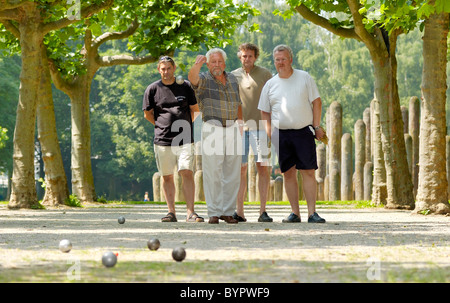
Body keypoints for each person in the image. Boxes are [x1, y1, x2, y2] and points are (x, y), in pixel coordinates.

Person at [258, 44, 326, 223]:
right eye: (277, 60)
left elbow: (317, 102)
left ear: (291, 60)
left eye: (283, 59)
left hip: (304, 131)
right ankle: (295, 213)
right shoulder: (270, 84)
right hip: (281, 134)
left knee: (308, 172)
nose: (280, 63)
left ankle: (312, 213)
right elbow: (264, 110)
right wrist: (269, 131)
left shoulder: (304, 77)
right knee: (287, 173)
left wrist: (317, 126)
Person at [142, 55, 204, 223]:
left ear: (174, 68)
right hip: (162, 139)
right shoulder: (152, 89)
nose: (166, 72)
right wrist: (161, 125)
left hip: (184, 138)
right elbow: (148, 113)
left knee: (186, 172)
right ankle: (171, 212)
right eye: (163, 69)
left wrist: (185, 125)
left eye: (169, 68)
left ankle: (191, 212)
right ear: (158, 70)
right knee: (167, 176)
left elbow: (195, 110)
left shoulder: (185, 87)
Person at [188, 48, 243, 224]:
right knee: (213, 172)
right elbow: (192, 79)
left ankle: (227, 211)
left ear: (224, 63)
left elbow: (238, 104)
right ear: (208, 64)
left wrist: (240, 126)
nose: (216, 65)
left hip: (233, 127)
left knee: (232, 173)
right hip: (212, 127)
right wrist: (197, 65)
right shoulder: (204, 78)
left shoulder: (233, 79)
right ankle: (214, 211)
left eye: (219, 62)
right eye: (213, 62)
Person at [231, 43, 273, 223]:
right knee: (240, 170)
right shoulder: (232, 76)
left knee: (263, 168)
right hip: (239, 128)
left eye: (249, 56)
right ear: (239, 57)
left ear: (255, 57)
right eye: (243, 56)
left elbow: (273, 99)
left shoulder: (265, 74)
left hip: (261, 127)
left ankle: (262, 211)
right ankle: (239, 211)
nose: (246, 59)